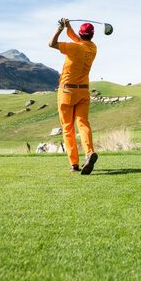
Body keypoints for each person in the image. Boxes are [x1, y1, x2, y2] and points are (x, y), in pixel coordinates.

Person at [48, 18, 99, 174]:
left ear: (80, 34)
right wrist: (68, 26)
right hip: (83, 91)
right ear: (92, 35)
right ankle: (89, 152)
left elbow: (52, 43)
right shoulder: (92, 48)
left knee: (67, 128)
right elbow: (78, 40)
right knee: (83, 124)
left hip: (67, 92)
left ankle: (74, 164)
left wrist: (59, 28)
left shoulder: (74, 47)